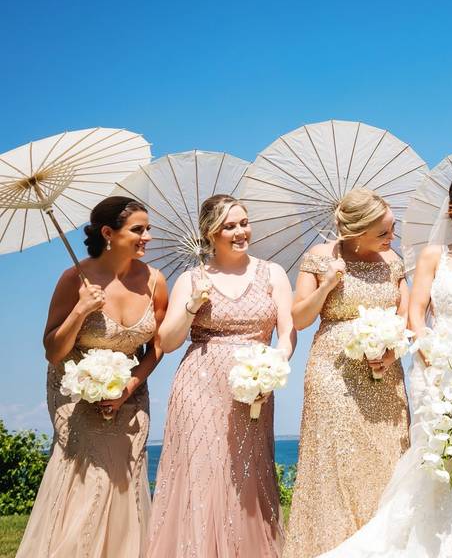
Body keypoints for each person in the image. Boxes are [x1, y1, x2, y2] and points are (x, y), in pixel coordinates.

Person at [320, 174, 452, 558]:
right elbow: (415, 313)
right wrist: (428, 351)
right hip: (437, 370)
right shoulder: (435, 256)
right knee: (439, 464)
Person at [18, 196, 167, 558]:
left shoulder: (155, 281)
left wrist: (130, 385)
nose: (147, 236)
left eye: (148, 229)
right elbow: (53, 350)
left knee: (124, 479)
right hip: (76, 395)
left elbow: (157, 348)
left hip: (131, 397)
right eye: (138, 230)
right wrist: (81, 310)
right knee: (83, 482)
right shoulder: (74, 278)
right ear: (108, 233)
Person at [147, 194, 295, 558]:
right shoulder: (190, 278)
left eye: (244, 222)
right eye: (230, 226)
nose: (241, 231)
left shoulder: (272, 273)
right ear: (211, 233)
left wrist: (272, 373)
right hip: (199, 385)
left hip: (254, 388)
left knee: (247, 468)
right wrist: (191, 305)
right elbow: (167, 340)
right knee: (202, 467)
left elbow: (288, 333)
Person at [284, 189, 411, 557]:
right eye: (383, 233)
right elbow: (300, 318)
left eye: (392, 229)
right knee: (337, 465)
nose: (391, 239)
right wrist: (326, 286)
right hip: (332, 375)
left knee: (386, 463)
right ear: (356, 232)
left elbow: (405, 317)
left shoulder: (392, 261)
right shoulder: (320, 258)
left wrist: (391, 352)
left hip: (386, 375)